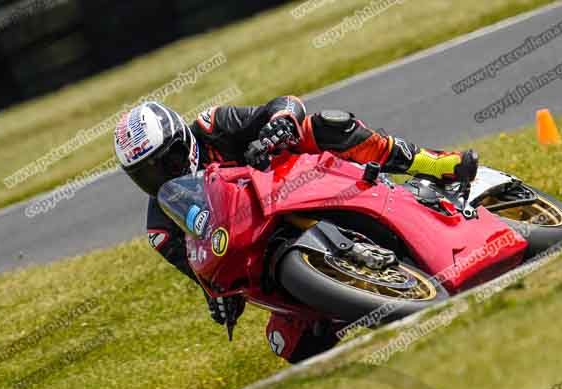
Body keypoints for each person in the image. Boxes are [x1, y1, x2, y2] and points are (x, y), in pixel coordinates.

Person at [114, 97, 478, 362]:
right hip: (262, 250)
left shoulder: (213, 127)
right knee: (291, 345)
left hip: (295, 182)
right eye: (147, 174)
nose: (164, 175)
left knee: (326, 126)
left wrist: (279, 124)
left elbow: (284, 104)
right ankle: (367, 304)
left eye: (169, 160)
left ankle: (433, 164)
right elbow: (204, 275)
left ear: (183, 138)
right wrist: (219, 300)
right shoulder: (162, 228)